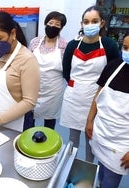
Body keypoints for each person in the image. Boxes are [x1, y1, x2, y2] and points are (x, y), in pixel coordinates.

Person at [59, 5, 120, 162]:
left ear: (102, 23)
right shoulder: (73, 45)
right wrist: (78, 85)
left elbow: (114, 73)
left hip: (96, 99)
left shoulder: (109, 45)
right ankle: (68, 167)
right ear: (81, 24)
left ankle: (88, 170)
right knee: (73, 138)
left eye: (94, 21)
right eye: (86, 21)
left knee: (90, 137)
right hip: (74, 97)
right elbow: (66, 71)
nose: (89, 25)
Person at [85, 34, 129, 188]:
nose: (127, 51)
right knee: (101, 170)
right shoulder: (114, 66)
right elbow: (99, 94)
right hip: (102, 130)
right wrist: (90, 120)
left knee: (111, 179)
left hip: (122, 142)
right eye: (125, 47)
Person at [29, 11, 67, 130]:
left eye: (57, 24)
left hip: (53, 89)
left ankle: (48, 141)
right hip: (33, 86)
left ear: (61, 28)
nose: (53, 26)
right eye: (51, 23)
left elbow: (67, 68)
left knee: (50, 120)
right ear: (45, 24)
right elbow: (27, 63)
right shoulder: (35, 42)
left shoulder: (64, 45)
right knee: (30, 116)